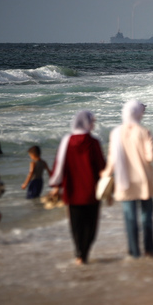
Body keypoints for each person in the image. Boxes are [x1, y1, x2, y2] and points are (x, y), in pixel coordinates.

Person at [102, 100, 153, 259]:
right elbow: (150, 156)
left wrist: (105, 175)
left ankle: (134, 252)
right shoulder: (144, 131)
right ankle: (149, 250)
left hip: (124, 181)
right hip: (143, 180)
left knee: (130, 218)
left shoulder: (116, 132)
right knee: (146, 216)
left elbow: (112, 160)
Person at [49, 111, 105, 264]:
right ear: (85, 123)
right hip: (92, 192)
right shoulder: (93, 142)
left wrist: (56, 186)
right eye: (92, 121)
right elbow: (101, 167)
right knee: (91, 226)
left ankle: (79, 254)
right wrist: (109, 188)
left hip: (72, 191)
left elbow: (60, 165)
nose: (93, 124)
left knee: (76, 225)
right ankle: (84, 254)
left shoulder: (67, 141)